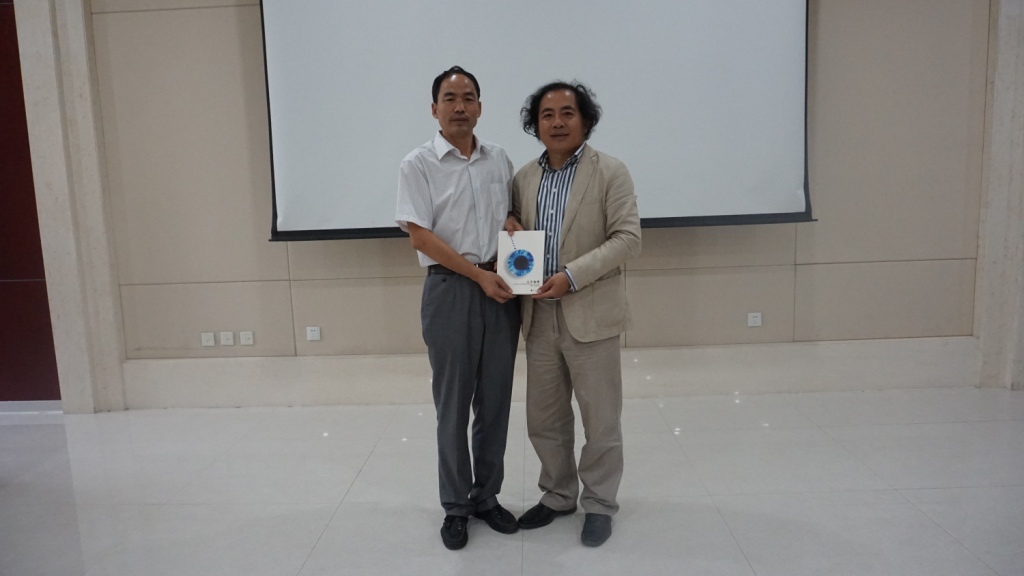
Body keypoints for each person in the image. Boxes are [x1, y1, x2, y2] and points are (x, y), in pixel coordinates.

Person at [505, 81, 641, 547]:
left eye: (567, 112)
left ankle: (599, 503)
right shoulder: (524, 177)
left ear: (585, 120)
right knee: (544, 418)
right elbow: (516, 232)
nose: (557, 122)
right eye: (547, 114)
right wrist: (509, 224)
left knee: (600, 419)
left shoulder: (611, 172)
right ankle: (559, 495)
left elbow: (628, 238)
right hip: (538, 316)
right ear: (535, 124)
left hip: (591, 313)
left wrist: (572, 275)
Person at [395, 66, 521, 550]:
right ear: (434, 109)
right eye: (450, 98)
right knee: (452, 406)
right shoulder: (418, 164)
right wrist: (477, 276)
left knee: (495, 401)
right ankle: (455, 506)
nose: (460, 107)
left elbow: (507, 212)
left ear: (480, 107)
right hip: (451, 290)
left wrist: (511, 219)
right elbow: (420, 236)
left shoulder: (499, 159)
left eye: (468, 97)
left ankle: (487, 496)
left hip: (500, 288)